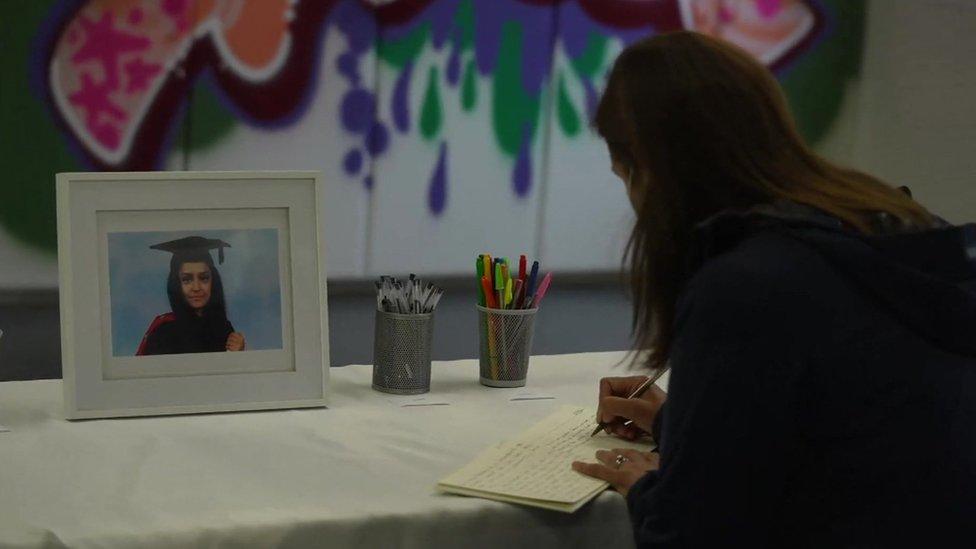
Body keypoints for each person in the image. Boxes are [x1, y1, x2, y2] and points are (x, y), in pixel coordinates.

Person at [570, 31, 976, 546]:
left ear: (654, 170)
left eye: (625, 175)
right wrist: (680, 422)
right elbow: (846, 426)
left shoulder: (747, 286)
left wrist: (646, 490)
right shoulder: (891, 223)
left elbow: (695, 534)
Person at [136, 236, 246, 355]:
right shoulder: (164, 331)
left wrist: (236, 353)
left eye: (204, 278)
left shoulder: (223, 327)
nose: (196, 287)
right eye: (187, 280)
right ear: (176, 284)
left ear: (213, 282)